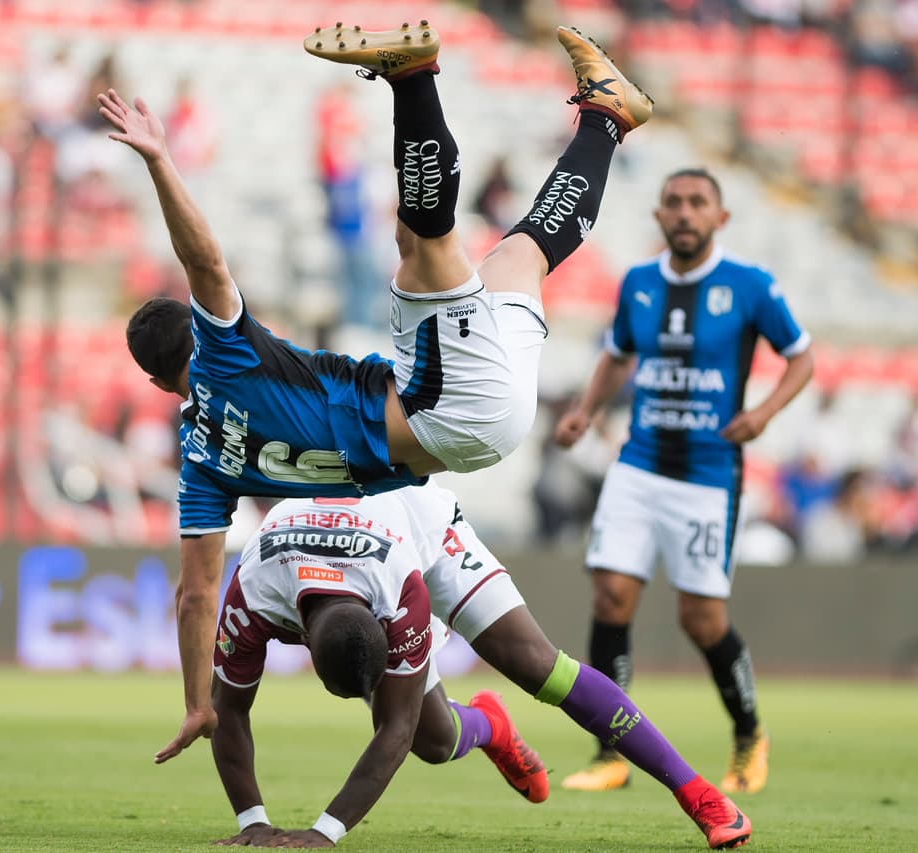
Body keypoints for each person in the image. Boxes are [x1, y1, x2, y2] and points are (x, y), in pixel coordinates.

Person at [97, 19, 655, 764]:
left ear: (151, 381)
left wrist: (200, 702)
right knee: (420, 243)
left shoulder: (202, 465)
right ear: (198, 334)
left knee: (522, 251)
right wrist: (160, 162)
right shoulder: (224, 354)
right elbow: (205, 262)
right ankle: (413, 78)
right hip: (445, 404)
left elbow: (196, 593)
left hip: (474, 424)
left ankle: (607, 118)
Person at [209, 483, 752, 849]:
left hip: (424, 530)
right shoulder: (253, 587)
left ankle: (702, 797)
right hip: (356, 542)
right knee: (434, 742)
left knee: (540, 666)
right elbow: (227, 709)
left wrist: (324, 832)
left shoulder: (402, 591)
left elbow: (393, 728)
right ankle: (491, 725)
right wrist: (253, 823)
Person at [553, 167, 815, 795]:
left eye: (698, 203)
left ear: (720, 218)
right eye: (673, 202)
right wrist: (586, 410)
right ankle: (611, 753)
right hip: (638, 465)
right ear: (658, 215)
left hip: (707, 477)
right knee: (610, 598)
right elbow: (617, 354)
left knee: (701, 621)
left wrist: (763, 413)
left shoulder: (749, 286)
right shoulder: (639, 283)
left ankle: (749, 732)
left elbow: (801, 358)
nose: (685, 212)